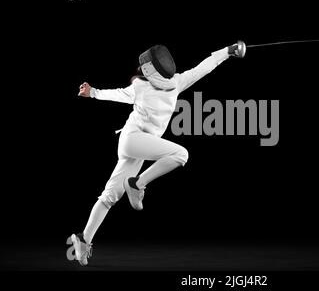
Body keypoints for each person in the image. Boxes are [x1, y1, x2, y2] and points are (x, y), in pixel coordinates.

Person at [70, 43, 243, 266]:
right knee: (180, 154)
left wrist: (227, 52)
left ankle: (84, 239)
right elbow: (118, 94)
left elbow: (205, 67)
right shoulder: (167, 83)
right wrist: (92, 92)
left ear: (150, 69)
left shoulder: (163, 84)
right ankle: (137, 184)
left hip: (139, 146)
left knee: (110, 196)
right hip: (133, 140)